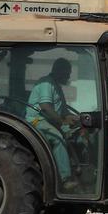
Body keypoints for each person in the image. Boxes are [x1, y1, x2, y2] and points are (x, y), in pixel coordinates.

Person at [26, 58, 79, 191]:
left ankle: (77, 168)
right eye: (67, 72)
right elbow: (46, 107)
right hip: (37, 120)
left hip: (49, 121)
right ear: (59, 71)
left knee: (75, 134)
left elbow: (63, 111)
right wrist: (62, 122)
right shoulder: (46, 83)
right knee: (58, 138)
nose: (69, 75)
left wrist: (75, 119)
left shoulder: (57, 86)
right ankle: (65, 179)